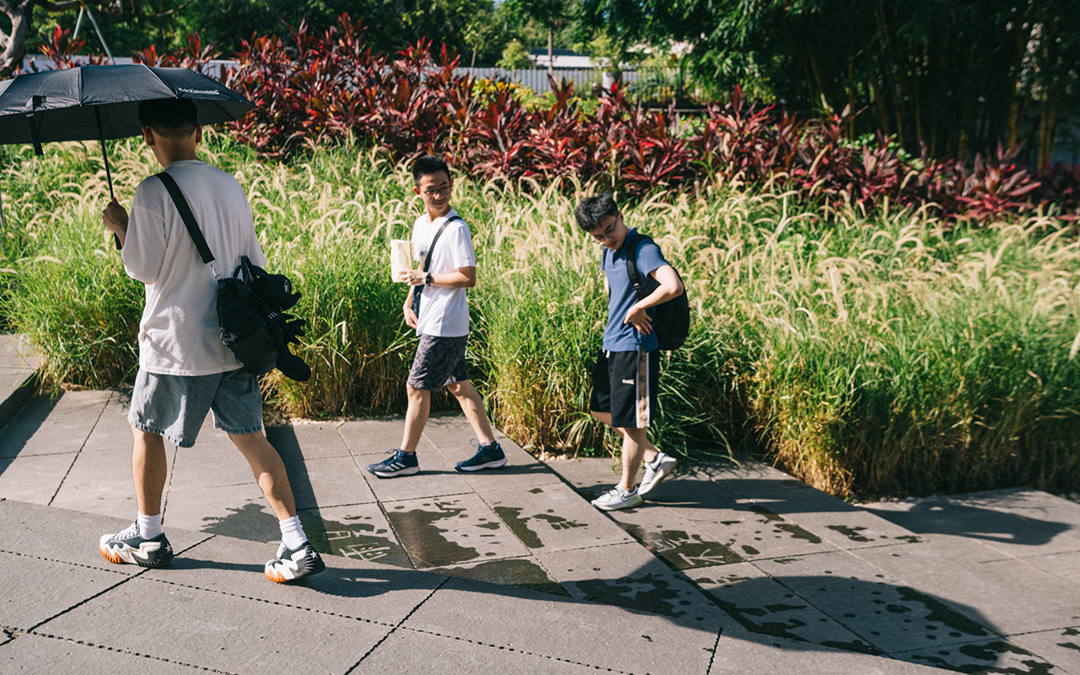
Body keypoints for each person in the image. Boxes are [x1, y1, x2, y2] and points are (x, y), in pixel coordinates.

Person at [99, 98, 324, 583]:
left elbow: (141, 269)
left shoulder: (152, 192)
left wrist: (122, 227)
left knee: (146, 428)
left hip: (174, 341)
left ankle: (149, 535)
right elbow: (252, 260)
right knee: (252, 439)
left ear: (147, 135)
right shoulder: (229, 185)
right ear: (198, 132)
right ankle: (296, 542)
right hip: (235, 339)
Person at [366, 154, 505, 478]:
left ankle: (406, 457)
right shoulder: (419, 224)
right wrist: (410, 299)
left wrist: (425, 281)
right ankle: (491, 449)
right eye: (432, 190)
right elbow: (421, 270)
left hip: (446, 321)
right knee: (458, 385)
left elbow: (467, 276)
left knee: (416, 387)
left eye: (445, 187)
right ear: (418, 192)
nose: (440, 195)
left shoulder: (457, 229)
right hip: (431, 316)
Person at [574, 193, 684, 510]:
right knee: (601, 410)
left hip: (636, 347)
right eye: (598, 236)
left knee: (633, 423)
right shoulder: (607, 253)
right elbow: (614, 291)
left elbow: (672, 285)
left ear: (620, 216)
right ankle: (654, 458)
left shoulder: (643, 248)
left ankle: (627, 490)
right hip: (612, 343)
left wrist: (640, 306)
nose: (607, 239)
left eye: (610, 229)